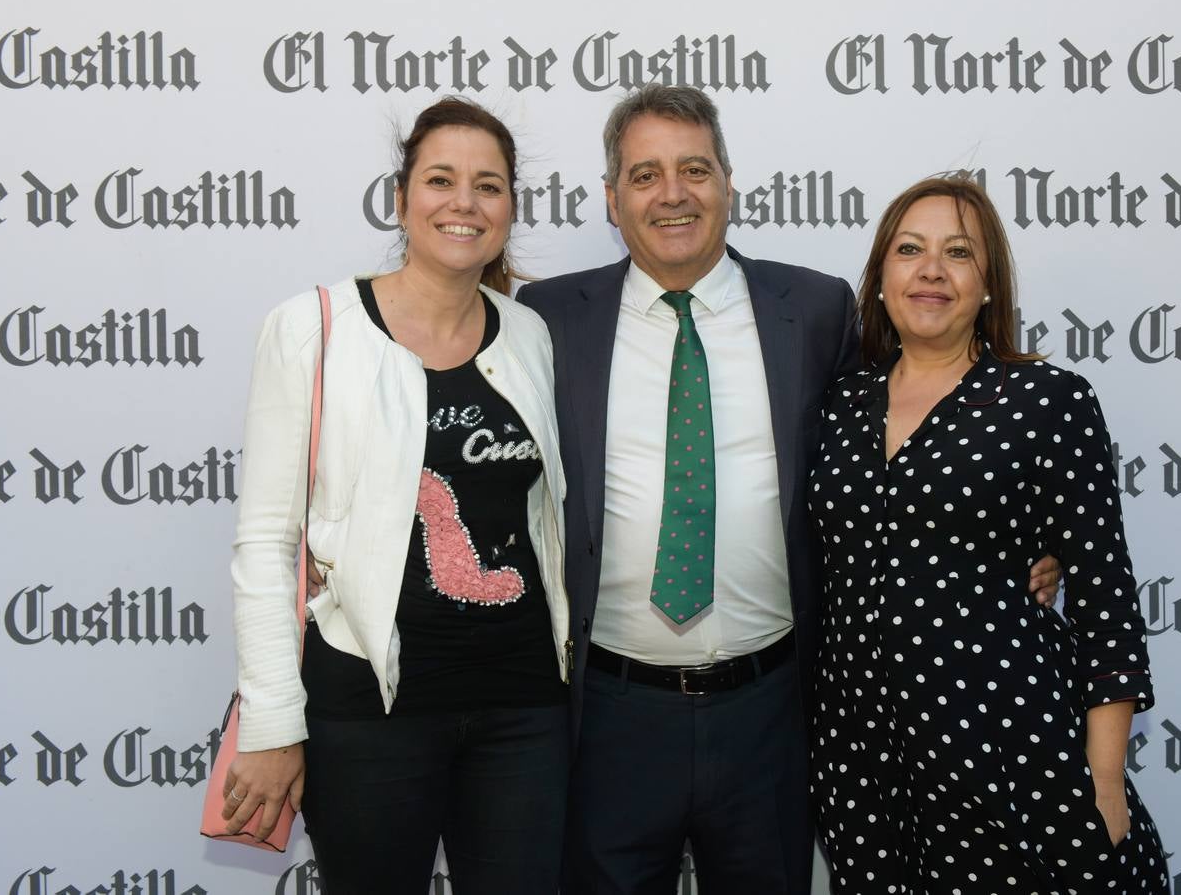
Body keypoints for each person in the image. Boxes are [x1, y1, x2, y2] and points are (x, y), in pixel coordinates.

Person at [518, 86, 1061, 894]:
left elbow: (892, 467)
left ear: (729, 183)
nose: (673, 193)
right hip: (613, 712)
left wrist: (1020, 543)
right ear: (611, 198)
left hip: (773, 711)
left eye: (695, 168)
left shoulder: (812, 308)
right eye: (645, 175)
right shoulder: (552, 316)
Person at [221, 97, 572, 894]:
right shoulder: (312, 328)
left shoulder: (530, 337)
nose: (464, 202)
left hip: (524, 712)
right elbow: (267, 544)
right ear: (401, 197)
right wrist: (273, 726)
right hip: (367, 714)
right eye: (440, 179)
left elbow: (548, 523)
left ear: (511, 208)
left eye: (488, 185)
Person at [810, 174, 1170, 894]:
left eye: (959, 253)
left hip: (1009, 752)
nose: (931, 270)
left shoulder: (1047, 400)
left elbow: (1105, 598)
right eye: (910, 249)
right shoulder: (838, 403)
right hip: (863, 764)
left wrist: (1102, 785)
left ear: (990, 284)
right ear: (880, 277)